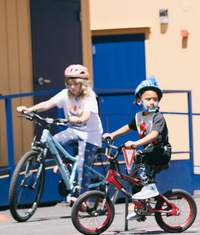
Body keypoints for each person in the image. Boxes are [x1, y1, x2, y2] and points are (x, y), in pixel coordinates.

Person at [16, 64, 103, 203]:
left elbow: (87, 115)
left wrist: (79, 119)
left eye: (76, 84)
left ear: (84, 84)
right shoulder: (65, 94)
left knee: (82, 165)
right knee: (55, 140)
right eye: (69, 83)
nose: (72, 87)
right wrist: (29, 109)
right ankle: (65, 162)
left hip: (90, 135)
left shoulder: (90, 96)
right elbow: (47, 104)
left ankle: (83, 199)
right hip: (74, 130)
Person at [102, 75, 171, 202]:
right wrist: (112, 134)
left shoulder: (157, 117)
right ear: (139, 101)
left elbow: (154, 134)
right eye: (148, 99)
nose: (152, 102)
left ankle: (150, 188)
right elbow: (128, 127)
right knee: (133, 179)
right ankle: (141, 206)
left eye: (155, 99)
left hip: (161, 151)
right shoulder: (139, 116)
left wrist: (136, 143)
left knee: (139, 155)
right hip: (148, 153)